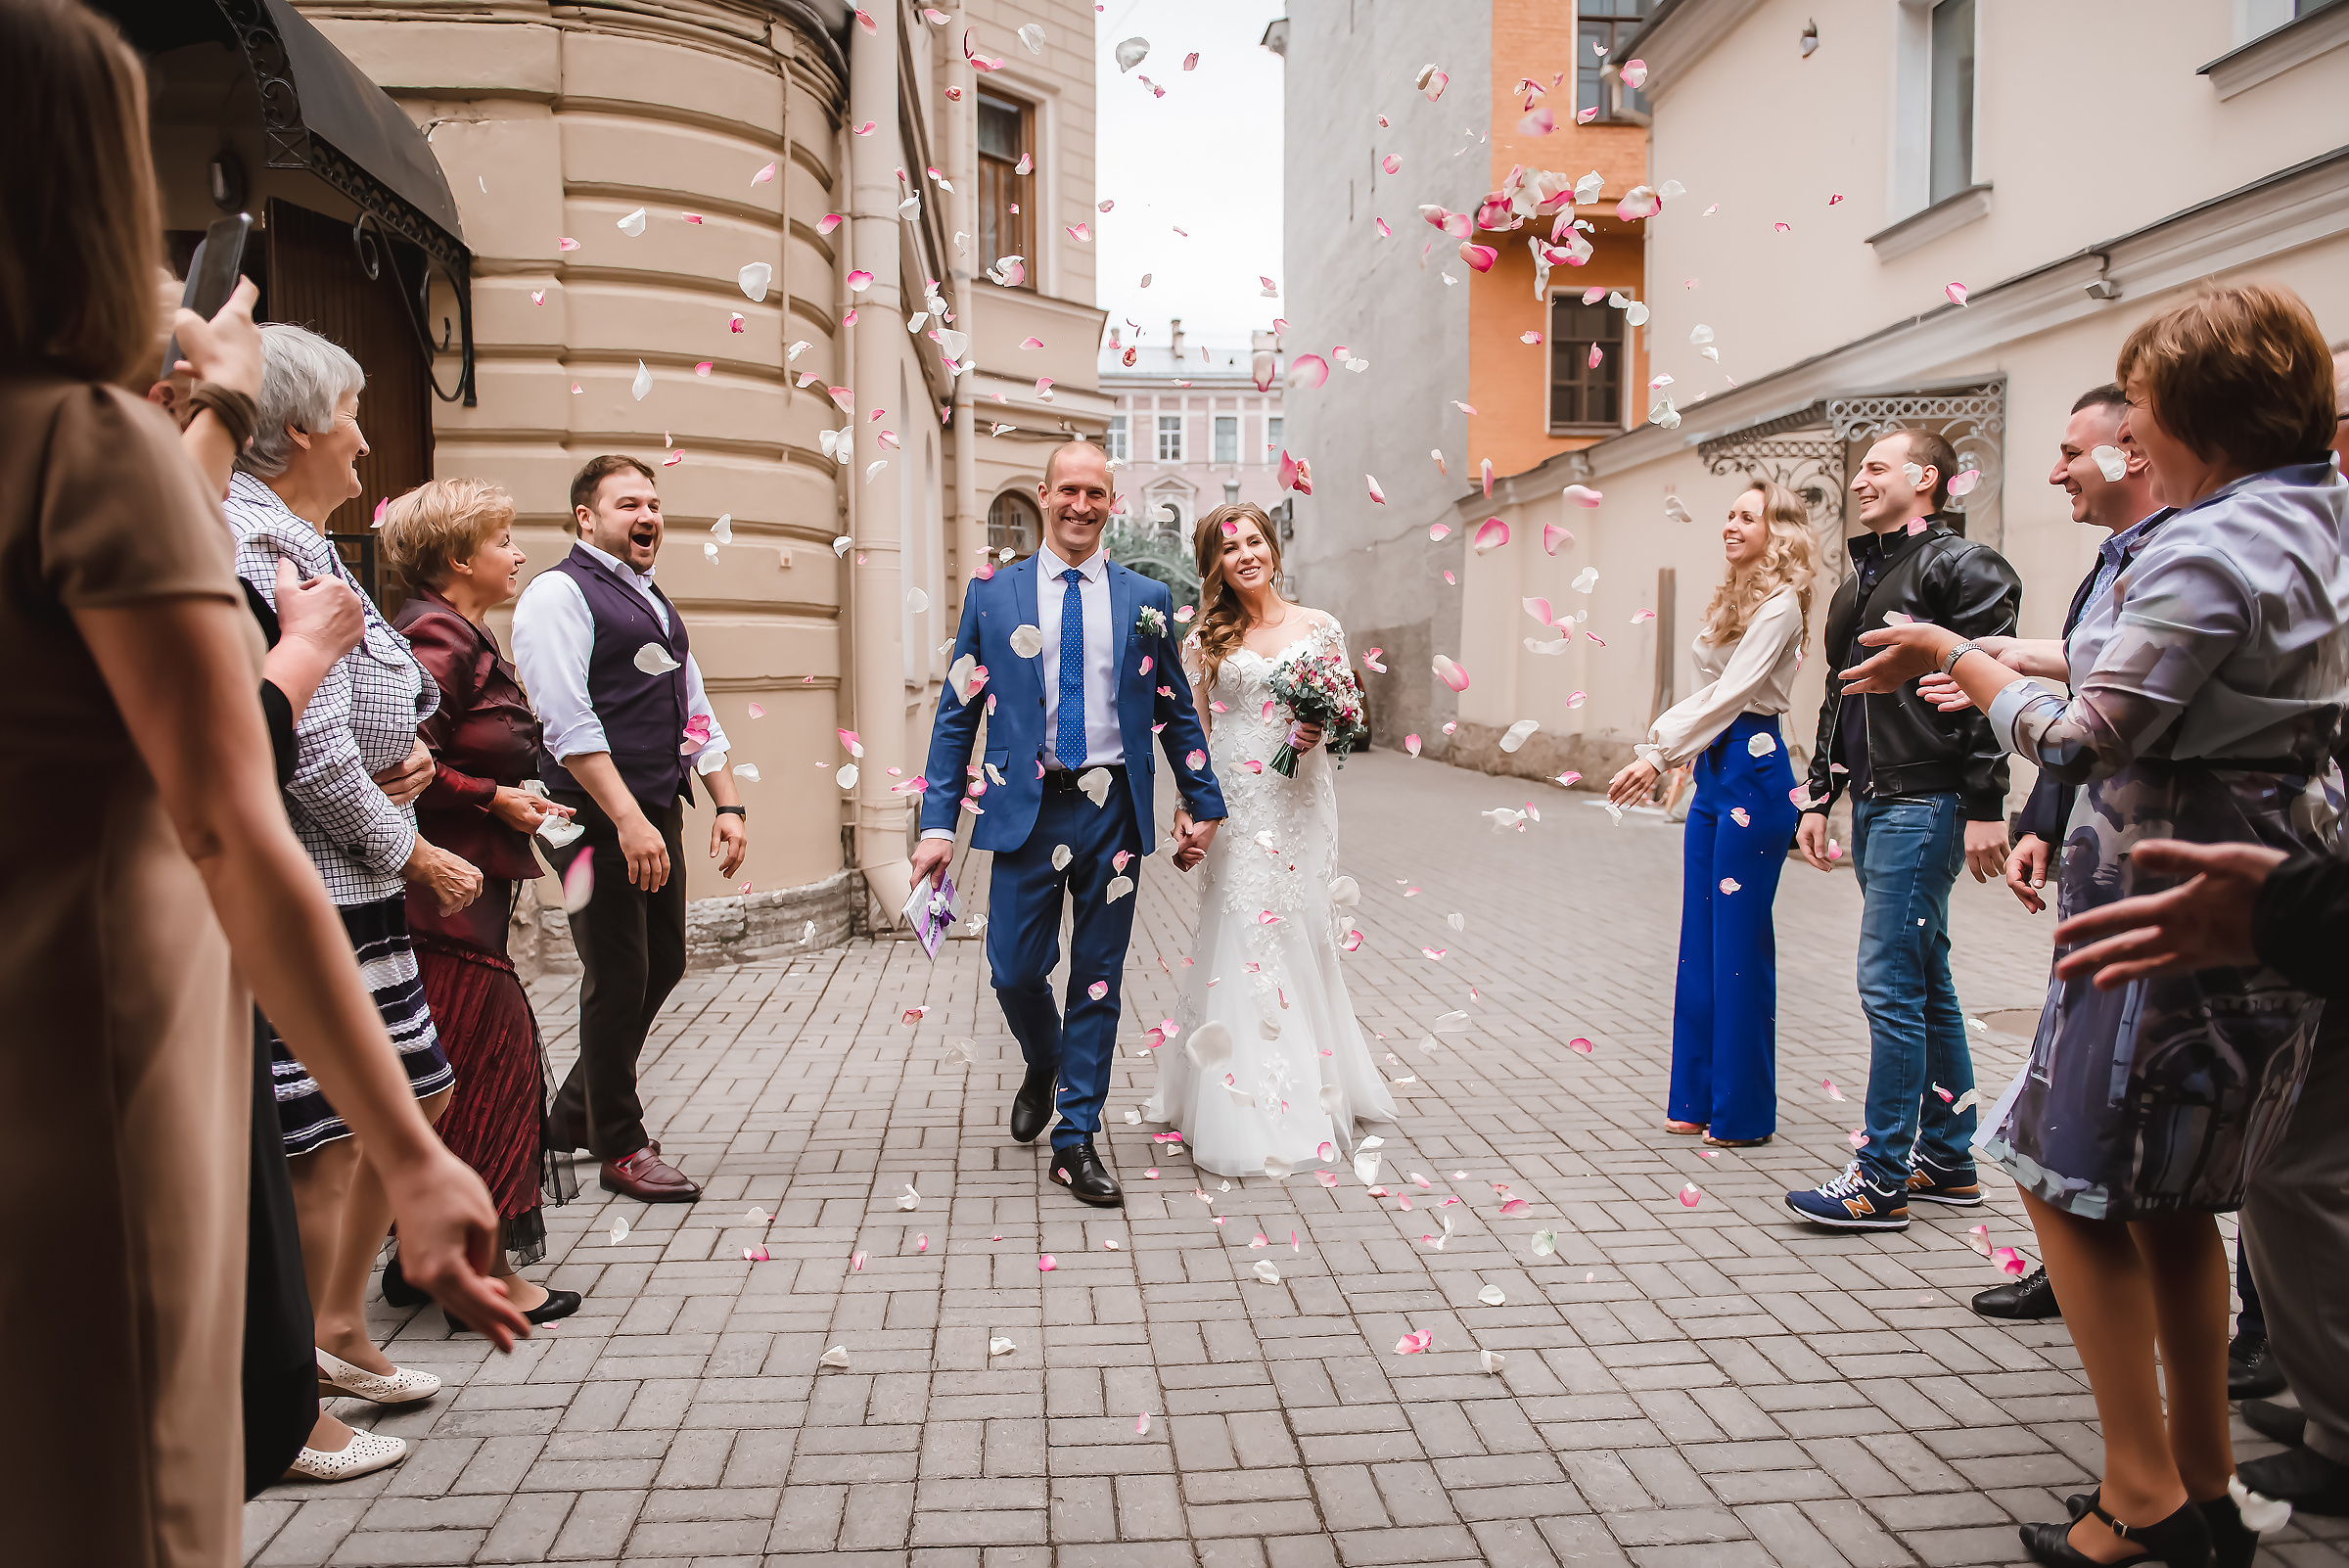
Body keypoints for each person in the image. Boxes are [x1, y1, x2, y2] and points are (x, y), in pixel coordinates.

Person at [0, 2, 525, 1558]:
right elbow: (231, 820)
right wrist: (420, 1152)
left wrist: (213, 412)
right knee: (123, 1464)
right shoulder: (83, 451)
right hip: (88, 1036)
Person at [1839, 281, 2345, 1568]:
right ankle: (2206, 1487)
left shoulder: (2203, 541)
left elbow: (2088, 728)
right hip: (2281, 905)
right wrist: (1984, 640)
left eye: (2147, 412)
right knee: (2173, 1199)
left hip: (2164, 911)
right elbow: (2157, 657)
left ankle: (2144, 1497)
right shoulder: (2317, 523)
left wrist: (1961, 665)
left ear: (2191, 419)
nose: (2130, 437)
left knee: (2059, 1175)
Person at [227, 321, 486, 1468]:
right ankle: (291, 1390)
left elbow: (380, 698)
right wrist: (414, 846)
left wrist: (409, 763)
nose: (368, 444)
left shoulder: (304, 536)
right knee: (322, 1133)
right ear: (294, 430)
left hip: (348, 869)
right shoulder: (257, 539)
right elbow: (314, 748)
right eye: (353, 418)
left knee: (398, 1098)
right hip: (317, 877)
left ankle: (335, 1335)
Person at [909, 441, 1225, 1204]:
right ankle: (1044, 1060)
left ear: (1111, 502)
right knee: (1014, 970)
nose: (1081, 505)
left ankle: (1075, 1136)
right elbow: (957, 716)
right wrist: (938, 824)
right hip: (1027, 807)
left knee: (1096, 978)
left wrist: (1203, 801)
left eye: (1096, 493)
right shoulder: (992, 597)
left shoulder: (1145, 596)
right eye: (1068, 491)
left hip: (1112, 807)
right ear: (1044, 496)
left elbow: (1175, 708)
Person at [1963, 383, 2169, 1323]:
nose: (2056, 471)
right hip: (2099, 866)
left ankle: (2262, 1337)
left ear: (2134, 449)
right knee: (2084, 1132)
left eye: (2074, 453)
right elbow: (2094, 675)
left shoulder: (2188, 556)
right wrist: (2043, 819)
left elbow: (2092, 726)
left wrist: (1969, 663)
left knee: (2123, 1132)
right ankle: (2074, 1266)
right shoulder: (2114, 562)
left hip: (2161, 892)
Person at [1783, 427, 2022, 1230]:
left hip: (1929, 801)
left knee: (1889, 983)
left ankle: (1881, 1175)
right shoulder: (1861, 577)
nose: (1859, 481)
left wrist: (1988, 805)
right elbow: (1838, 693)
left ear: (1928, 478)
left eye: (1877, 468)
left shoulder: (1963, 565)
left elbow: (1993, 685)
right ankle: (1949, 1161)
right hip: (1879, 799)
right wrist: (1819, 797)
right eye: (1858, 471)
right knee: (1925, 979)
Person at [512, 455, 749, 1202]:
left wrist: (727, 803)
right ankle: (618, 1139)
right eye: (627, 505)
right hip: (586, 818)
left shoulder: (648, 598)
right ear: (587, 519)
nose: (647, 516)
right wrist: (622, 818)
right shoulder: (557, 593)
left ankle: (573, 1112)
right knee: (618, 975)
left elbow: (693, 704)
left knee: (664, 961)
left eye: (653, 502)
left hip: (651, 809)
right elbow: (564, 719)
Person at [380, 480, 583, 1331]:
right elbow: (402, 762)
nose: (519, 554)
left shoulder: (461, 630)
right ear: (460, 557)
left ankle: (420, 1261)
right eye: (504, 540)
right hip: (444, 906)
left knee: (454, 1075)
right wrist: (494, 796)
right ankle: (480, 1278)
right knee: (485, 1073)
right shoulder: (436, 634)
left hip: (465, 896)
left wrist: (509, 796)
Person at [1141, 502, 1395, 1176]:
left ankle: (1314, 1079)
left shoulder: (1320, 627)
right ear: (1215, 564)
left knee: (1299, 929)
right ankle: (1240, 1097)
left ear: (1273, 550)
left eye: (1255, 541)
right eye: (1230, 548)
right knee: (1243, 933)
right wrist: (1188, 807)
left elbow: (1351, 720)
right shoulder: (1207, 639)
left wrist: (1323, 729)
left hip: (1298, 799)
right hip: (1236, 801)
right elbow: (1190, 731)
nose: (1245, 554)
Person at [1607, 481, 1816, 1148]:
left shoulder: (1782, 604)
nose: (1730, 524)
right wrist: (1691, 756)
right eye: (1729, 514)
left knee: (1739, 948)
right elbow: (1712, 694)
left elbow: (1735, 691)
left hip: (1756, 774)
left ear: (1777, 531)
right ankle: (1693, 1097)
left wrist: (1658, 753)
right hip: (1717, 770)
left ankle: (1743, 1112)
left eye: (1746, 516)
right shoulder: (1734, 597)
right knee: (1700, 939)